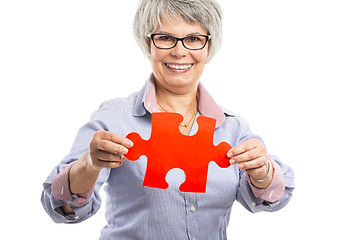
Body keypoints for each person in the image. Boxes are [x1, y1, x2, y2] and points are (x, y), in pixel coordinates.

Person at [41, 0, 295, 239]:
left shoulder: (233, 128)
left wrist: (262, 173)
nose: (179, 51)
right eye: (165, 38)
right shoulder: (114, 117)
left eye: (193, 39)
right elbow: (61, 206)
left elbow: (270, 200)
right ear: (148, 43)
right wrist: (89, 165)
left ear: (209, 46)